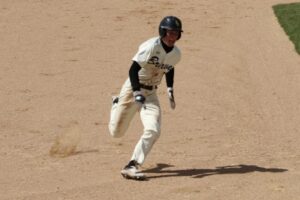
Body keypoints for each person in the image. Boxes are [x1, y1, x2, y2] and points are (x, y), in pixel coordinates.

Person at [108, 16, 183, 180]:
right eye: (170, 32)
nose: (173, 37)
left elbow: (169, 67)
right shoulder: (151, 47)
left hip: (150, 94)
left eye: (176, 33)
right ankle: (117, 103)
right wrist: (136, 92)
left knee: (153, 130)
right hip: (132, 89)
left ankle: (132, 165)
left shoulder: (176, 53)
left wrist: (170, 89)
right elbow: (133, 70)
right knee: (116, 133)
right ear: (163, 32)